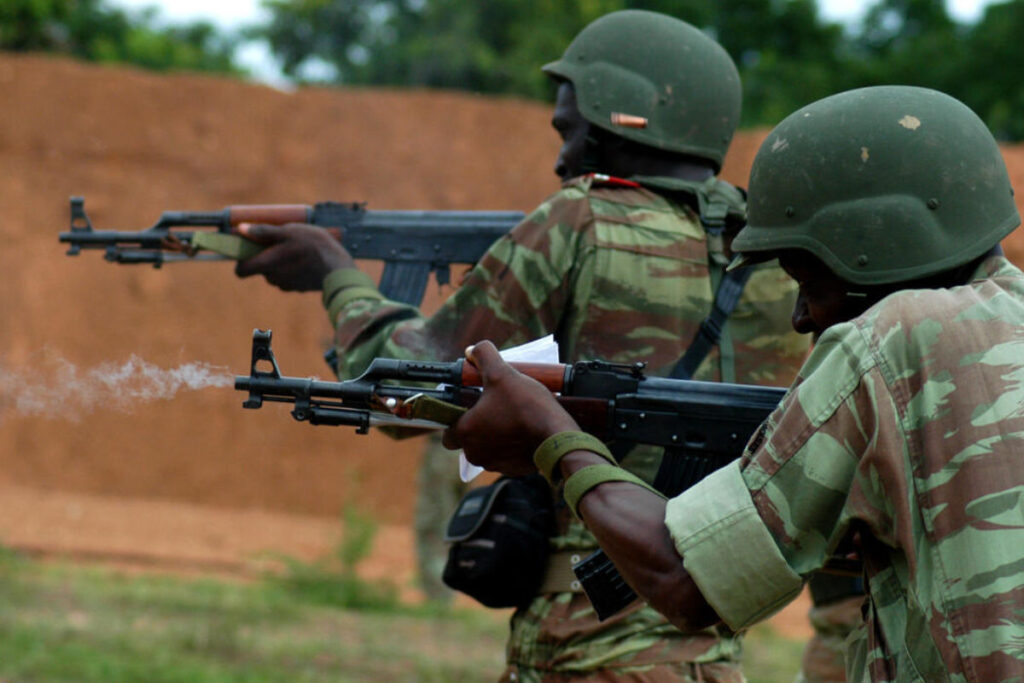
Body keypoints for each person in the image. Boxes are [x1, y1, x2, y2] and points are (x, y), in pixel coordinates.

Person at [235, 10, 808, 681]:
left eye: (570, 131)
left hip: (584, 648)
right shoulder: (775, 256)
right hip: (709, 652)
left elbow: (410, 379)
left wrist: (336, 275)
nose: (561, 159)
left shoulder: (581, 218)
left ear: (617, 120)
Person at [442, 85, 1024, 681]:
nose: (800, 318)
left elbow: (685, 579)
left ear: (875, 246)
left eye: (807, 281)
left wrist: (552, 434)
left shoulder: (884, 341)